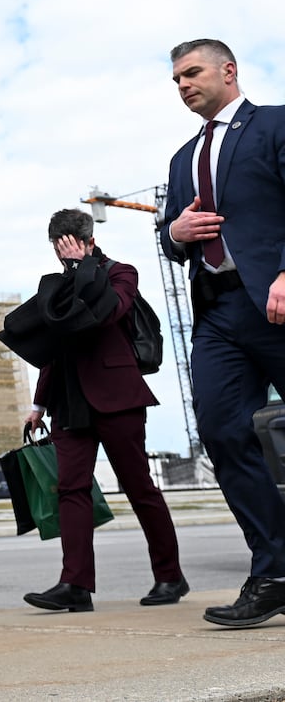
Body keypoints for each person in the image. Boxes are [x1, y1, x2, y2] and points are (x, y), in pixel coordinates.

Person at [161, 39, 285, 627]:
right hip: (217, 312)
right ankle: (276, 569)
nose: (183, 84)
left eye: (192, 72)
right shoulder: (182, 157)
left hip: (278, 299)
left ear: (228, 71)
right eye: (176, 78)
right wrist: (177, 231)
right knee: (221, 430)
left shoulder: (275, 126)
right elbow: (170, 237)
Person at [20, 209, 185, 613]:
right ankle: (75, 585)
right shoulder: (56, 283)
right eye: (58, 253)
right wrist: (39, 404)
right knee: (70, 490)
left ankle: (170, 576)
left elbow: (108, 311)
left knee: (138, 487)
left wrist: (81, 268)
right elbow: (52, 347)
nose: (63, 259)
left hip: (117, 395)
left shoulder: (121, 273)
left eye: (70, 250)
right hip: (69, 399)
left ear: (88, 242)